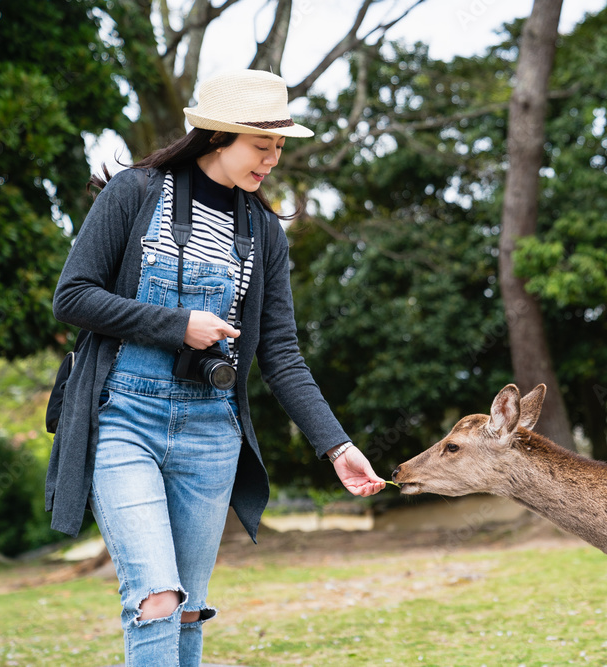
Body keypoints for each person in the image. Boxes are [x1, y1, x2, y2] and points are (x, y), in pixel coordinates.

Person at [45, 69, 387, 667]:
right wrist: (177, 325)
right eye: (263, 146)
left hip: (211, 432)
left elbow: (280, 354)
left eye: (280, 147)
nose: (274, 160)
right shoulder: (134, 192)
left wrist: (337, 447)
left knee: (188, 609)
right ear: (218, 137)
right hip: (123, 416)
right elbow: (72, 296)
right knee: (156, 595)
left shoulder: (263, 232)